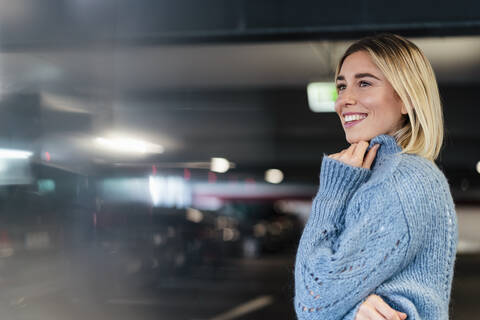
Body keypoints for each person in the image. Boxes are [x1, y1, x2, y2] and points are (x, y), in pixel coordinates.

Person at [294, 33, 458, 320]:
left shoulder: (401, 180)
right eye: (341, 86)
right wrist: (353, 311)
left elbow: (312, 303)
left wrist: (332, 193)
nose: (344, 100)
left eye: (365, 83)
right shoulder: (399, 175)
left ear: (407, 99)